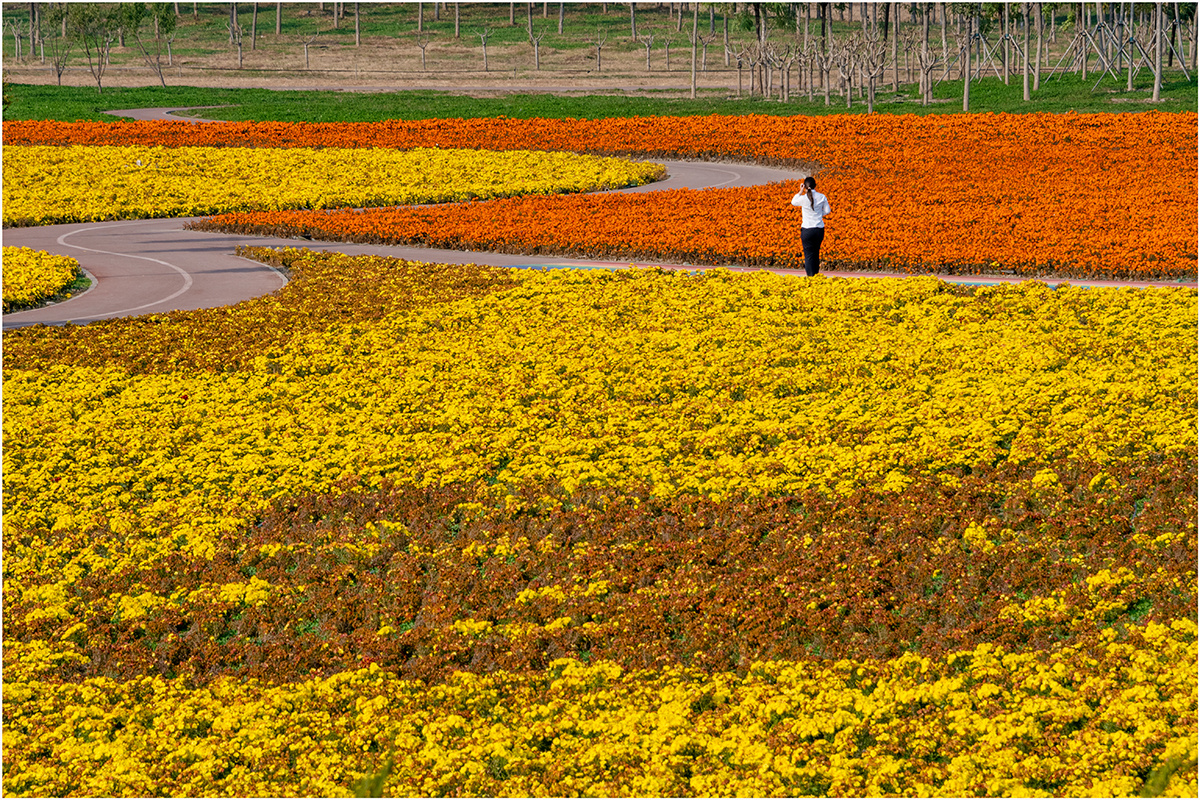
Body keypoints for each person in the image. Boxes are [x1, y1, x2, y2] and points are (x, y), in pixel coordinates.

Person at [791, 176, 832, 277]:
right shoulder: (822, 196)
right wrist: (818, 214)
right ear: (815, 185)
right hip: (818, 229)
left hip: (807, 230)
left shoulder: (803, 198)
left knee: (808, 255)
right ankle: (816, 276)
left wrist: (800, 191)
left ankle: (810, 277)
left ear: (804, 186)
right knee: (816, 253)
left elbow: (793, 202)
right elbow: (827, 211)